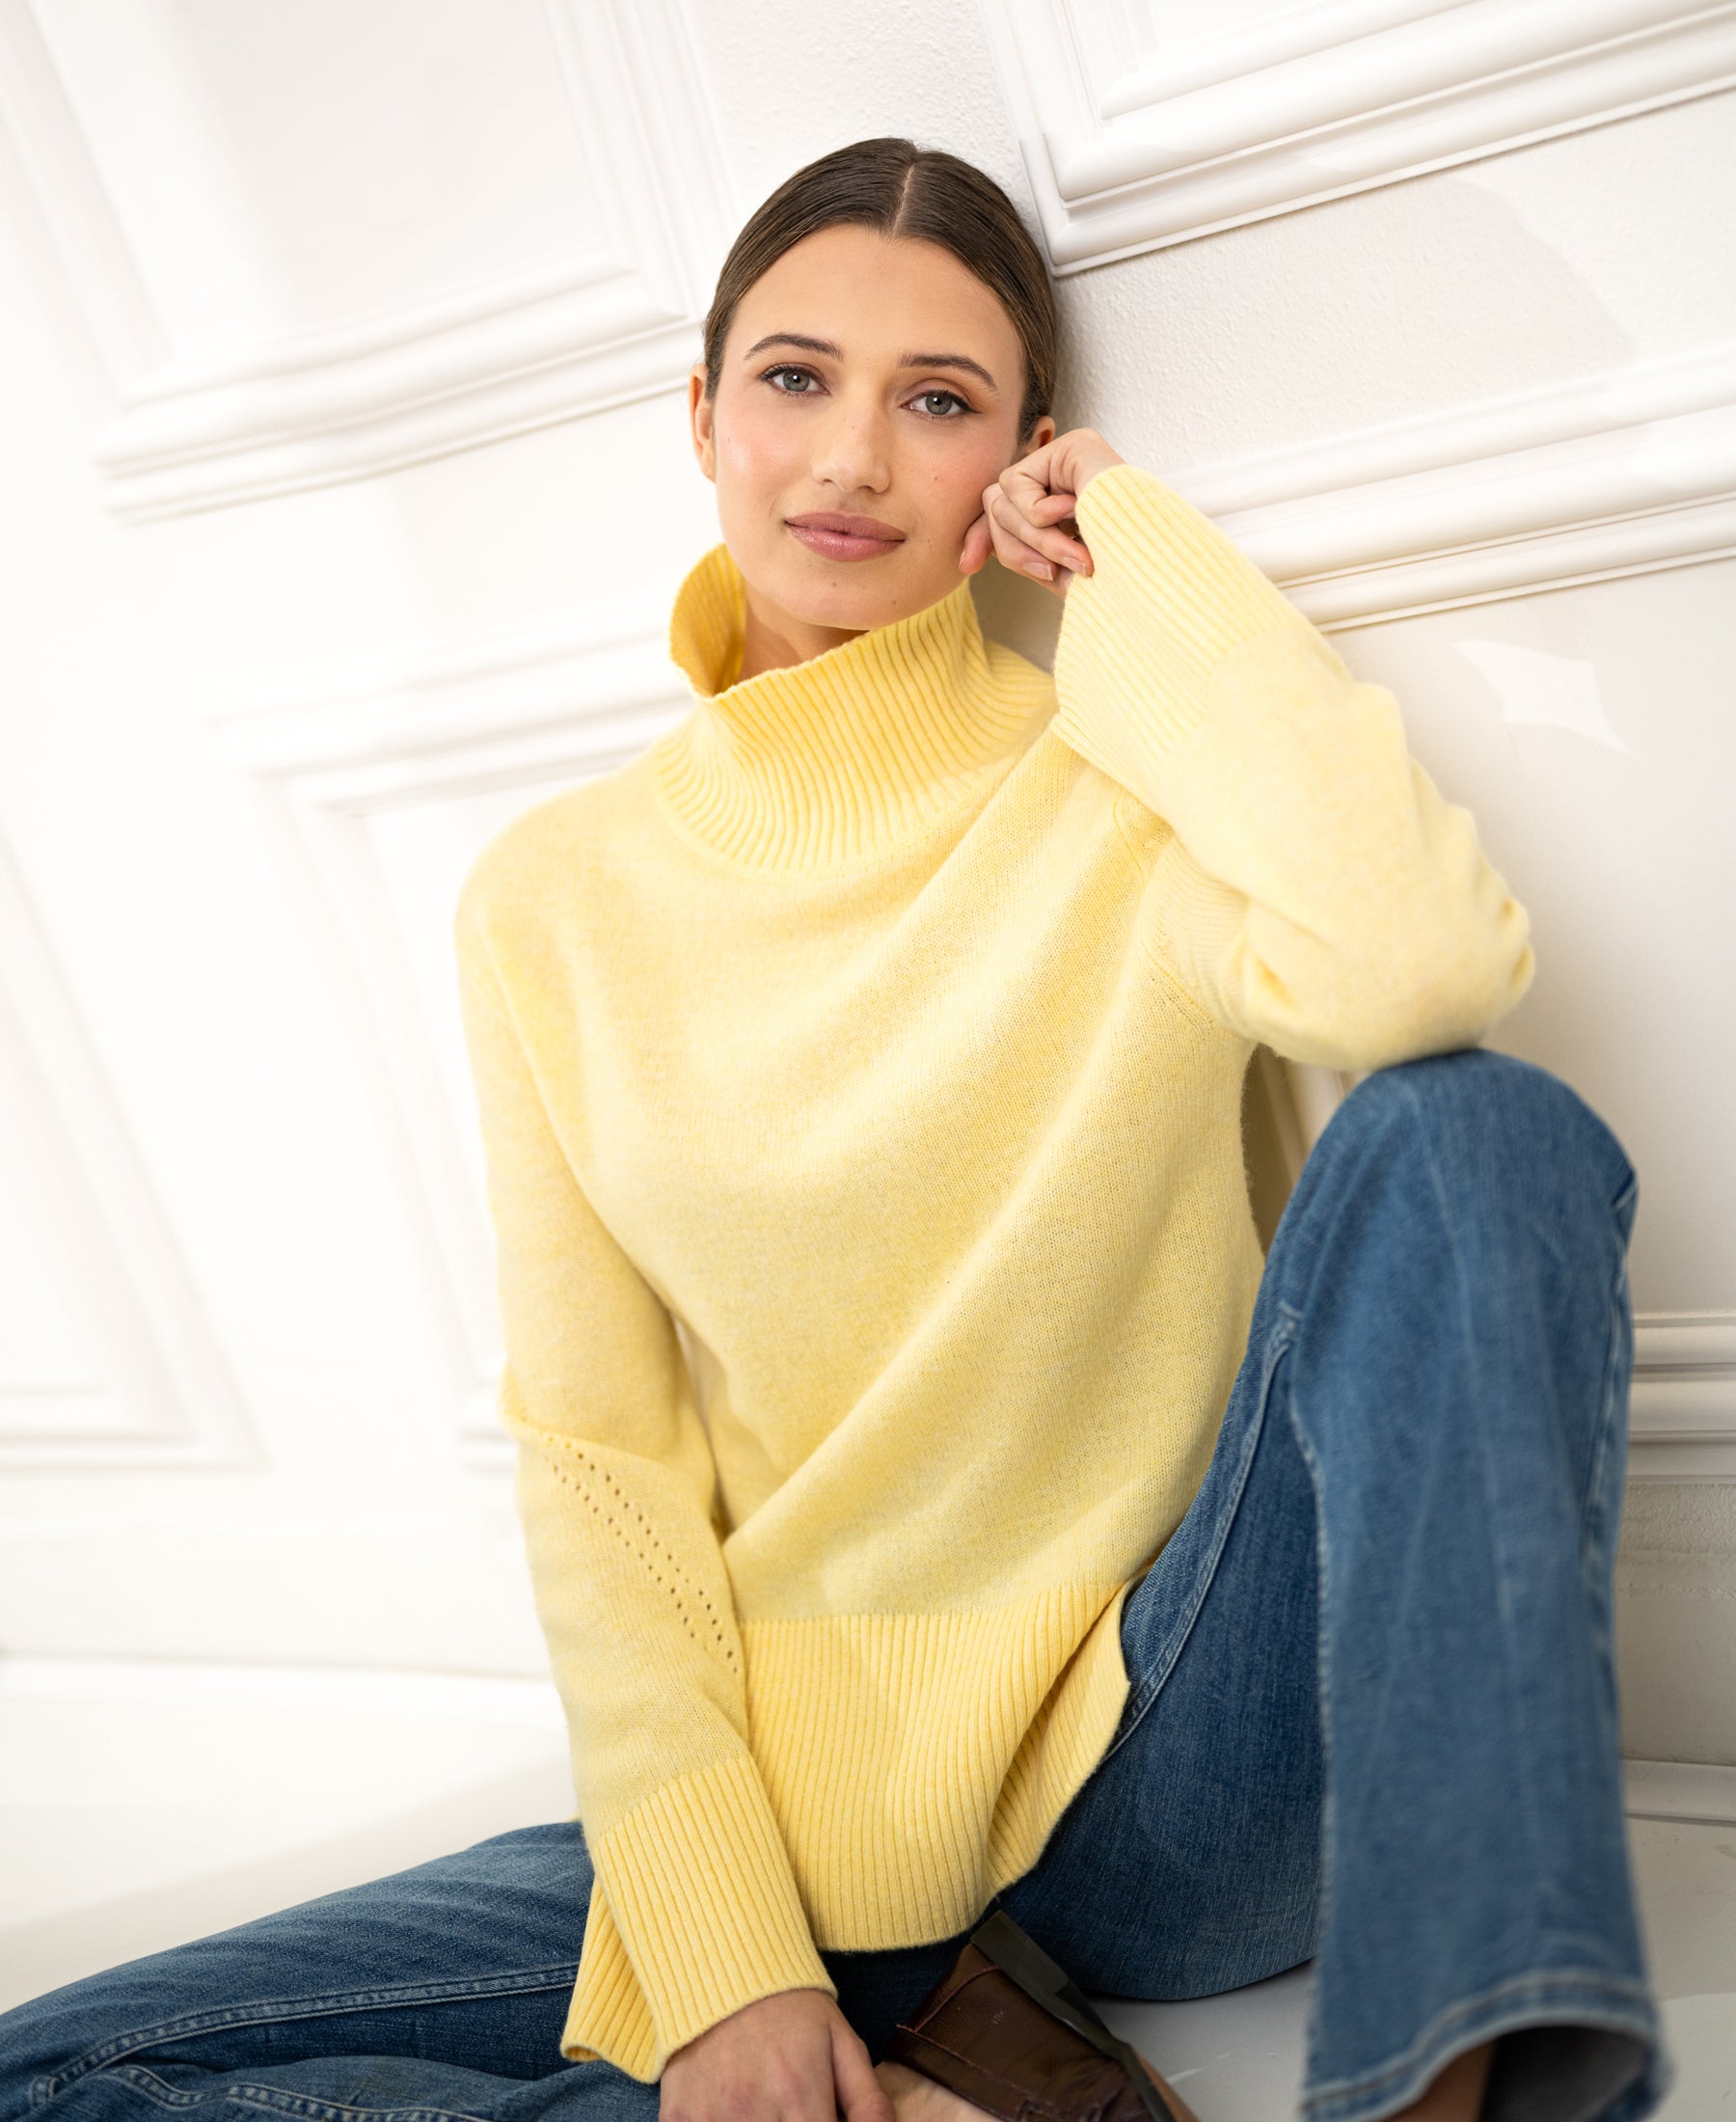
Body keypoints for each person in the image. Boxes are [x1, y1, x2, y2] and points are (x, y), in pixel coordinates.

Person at [0, 137, 1666, 2122]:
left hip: (1170, 1781)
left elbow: (1417, 965)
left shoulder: (1117, 784)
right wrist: (720, 1957)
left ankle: (1441, 2090)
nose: (854, 457)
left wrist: (1140, 553)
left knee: (1478, 1133)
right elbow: (600, 1459)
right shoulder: (552, 898)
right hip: (799, 1831)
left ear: (1015, 461)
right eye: (795, 378)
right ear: (701, 417)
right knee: (59, 2064)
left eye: (939, 402)